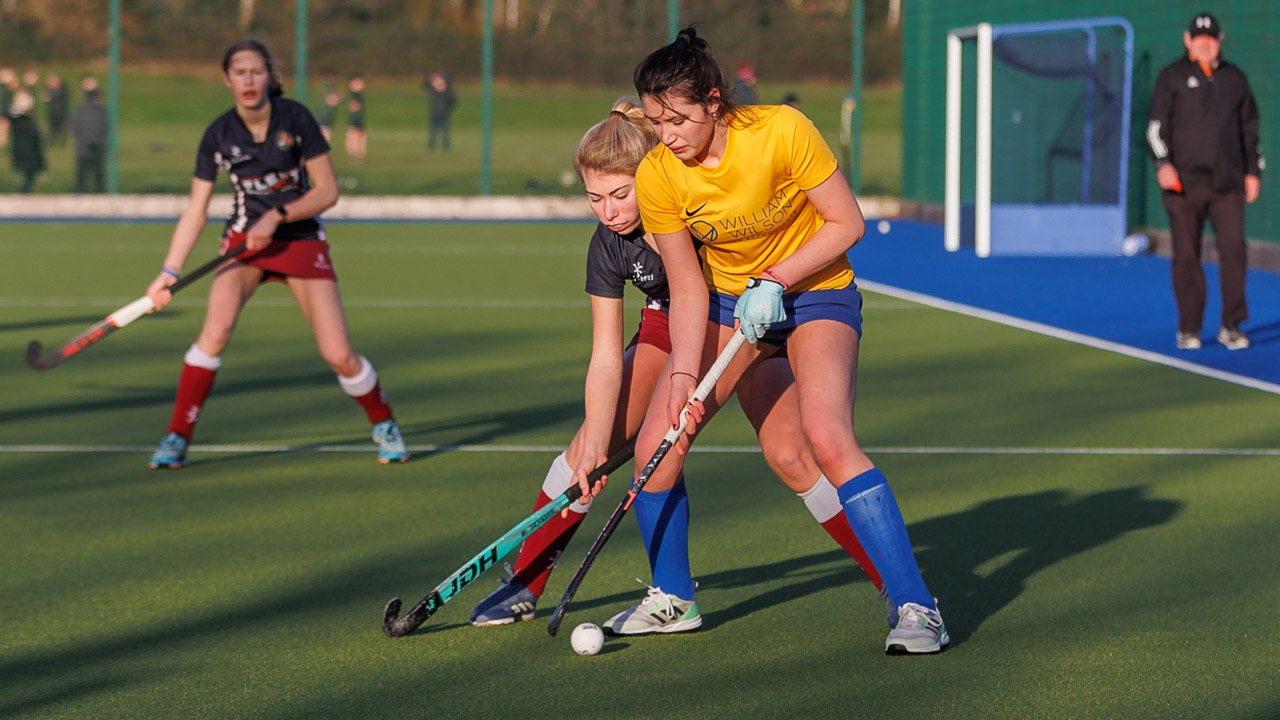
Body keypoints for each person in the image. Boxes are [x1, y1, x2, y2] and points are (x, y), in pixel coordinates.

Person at [469, 97, 886, 628]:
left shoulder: (690, 211)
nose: (609, 211)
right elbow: (604, 356)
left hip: (737, 321)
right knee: (587, 448)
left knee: (791, 454)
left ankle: (888, 576)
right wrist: (598, 440)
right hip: (667, 330)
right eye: (595, 198)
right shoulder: (610, 244)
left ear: (651, 176)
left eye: (620, 194)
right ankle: (528, 582)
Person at [601, 26, 948, 654]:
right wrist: (683, 378)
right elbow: (686, 283)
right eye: (656, 122)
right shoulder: (659, 174)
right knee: (661, 440)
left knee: (826, 438)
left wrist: (778, 278)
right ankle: (673, 598)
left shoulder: (781, 130)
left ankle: (916, 607)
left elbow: (848, 222)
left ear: (713, 102)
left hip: (815, 289)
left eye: (678, 118)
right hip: (730, 302)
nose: (668, 134)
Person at [143, 39, 408, 469]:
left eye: (256, 71)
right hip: (243, 244)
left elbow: (328, 191)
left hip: (300, 239)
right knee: (214, 333)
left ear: (270, 76)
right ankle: (177, 436)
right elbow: (195, 209)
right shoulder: (218, 134)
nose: (248, 80)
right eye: (239, 72)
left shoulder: (296, 119)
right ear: (227, 79)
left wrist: (278, 215)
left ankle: (384, 422)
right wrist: (169, 270)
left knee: (338, 354)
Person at [1147, 12, 1262, 352]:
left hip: (1227, 184)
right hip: (1183, 185)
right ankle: (1189, 327)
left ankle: (1232, 324)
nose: (1205, 44)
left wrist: (1253, 171)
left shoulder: (1235, 79)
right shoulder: (1172, 77)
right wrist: (1163, 164)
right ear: (1187, 41)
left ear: (1220, 41)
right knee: (1186, 255)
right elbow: (1155, 128)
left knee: (1234, 251)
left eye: (1211, 38)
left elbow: (1250, 130)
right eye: (1199, 39)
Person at [7, 89, 45, 193]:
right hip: (28, 152)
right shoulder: (23, 121)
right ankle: (24, 191)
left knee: (28, 174)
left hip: (23, 150)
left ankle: (24, 189)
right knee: (29, 174)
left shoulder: (19, 119)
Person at [70, 87, 107, 193]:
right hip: (97, 147)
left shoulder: (79, 111)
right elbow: (106, 129)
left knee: (81, 173)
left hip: (82, 147)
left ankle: (79, 191)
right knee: (98, 173)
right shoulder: (102, 112)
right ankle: (99, 191)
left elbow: (73, 129)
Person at [423, 71, 456, 151]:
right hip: (434, 113)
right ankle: (431, 146)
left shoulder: (448, 92)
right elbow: (425, 85)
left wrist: (447, 109)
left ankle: (445, 146)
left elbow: (453, 102)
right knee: (433, 132)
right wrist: (431, 78)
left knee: (445, 131)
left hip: (444, 114)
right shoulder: (433, 91)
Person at [344, 74, 367, 162]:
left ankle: (359, 154)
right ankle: (352, 153)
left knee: (361, 135)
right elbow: (352, 105)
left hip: (359, 118)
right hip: (354, 118)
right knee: (353, 134)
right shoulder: (352, 94)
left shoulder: (359, 93)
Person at [43, 72, 68, 147]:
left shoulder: (63, 90)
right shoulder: (49, 91)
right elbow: (46, 100)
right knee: (52, 129)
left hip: (61, 112)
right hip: (52, 112)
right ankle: (52, 143)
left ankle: (61, 143)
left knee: (61, 129)